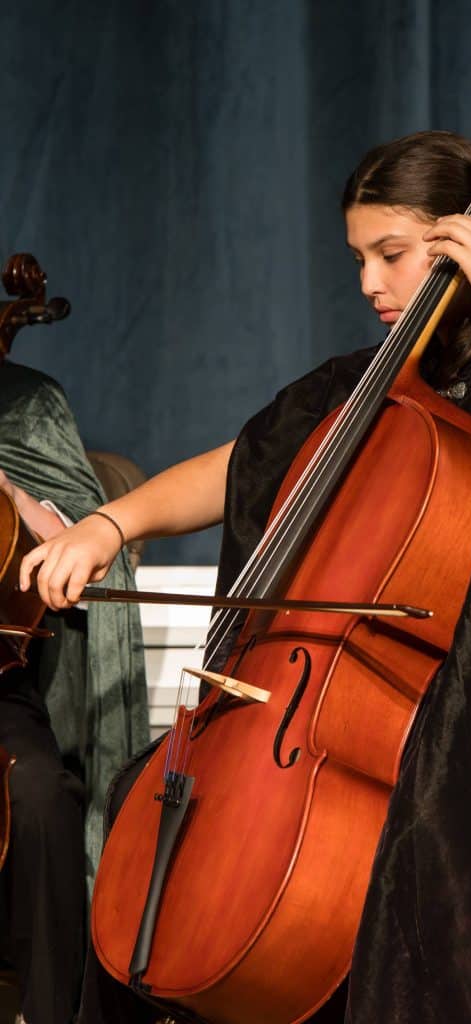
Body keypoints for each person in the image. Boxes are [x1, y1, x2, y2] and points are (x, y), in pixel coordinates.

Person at [20, 131, 471, 1024]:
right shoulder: (376, 378)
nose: (368, 283)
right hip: (393, 722)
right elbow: (242, 464)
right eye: (359, 258)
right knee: (148, 794)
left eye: (390, 255)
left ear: (463, 243)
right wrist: (108, 523)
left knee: (422, 843)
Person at [0, 357, 149, 1024]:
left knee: (41, 796)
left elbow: (76, 543)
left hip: (2, 687)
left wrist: (12, 493)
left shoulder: (27, 405)